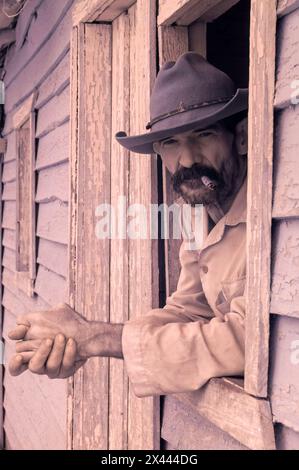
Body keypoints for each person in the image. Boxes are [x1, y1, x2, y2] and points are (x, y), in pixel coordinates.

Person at [8, 52, 249, 397]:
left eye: (204, 134)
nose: (188, 159)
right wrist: (79, 338)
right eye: (170, 143)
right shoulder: (200, 214)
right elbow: (188, 309)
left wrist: (97, 337)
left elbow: (249, 339)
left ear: (240, 138)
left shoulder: (270, 218)